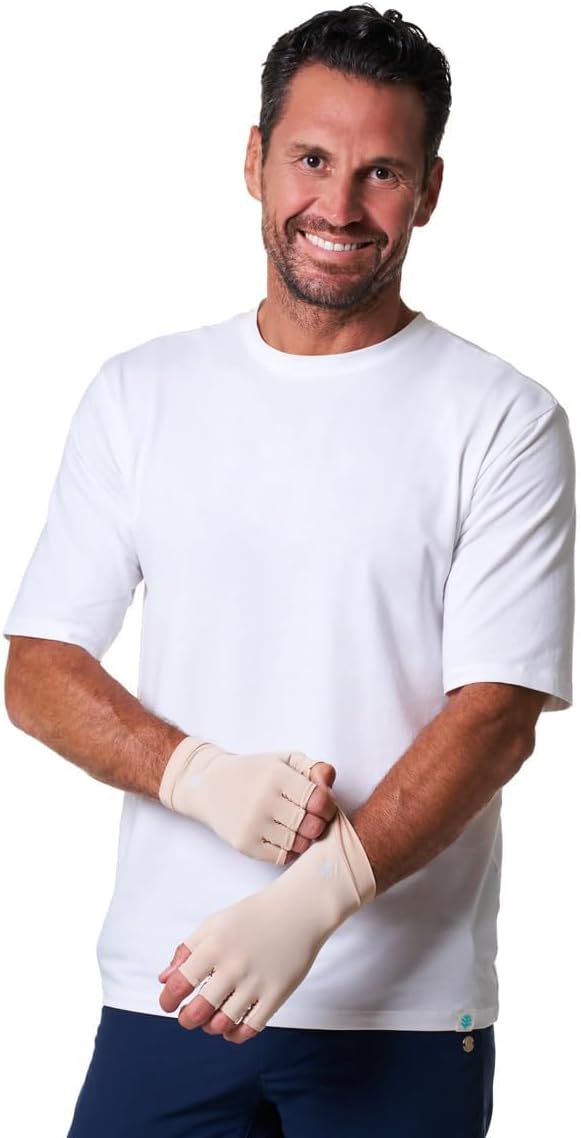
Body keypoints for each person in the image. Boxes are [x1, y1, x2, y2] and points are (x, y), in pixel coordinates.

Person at [2, 5, 575, 1136]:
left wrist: (318, 895)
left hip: (399, 1013)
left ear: (429, 190)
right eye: (311, 159)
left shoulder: (501, 419)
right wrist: (194, 774)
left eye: (380, 172)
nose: (339, 206)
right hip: (167, 986)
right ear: (254, 159)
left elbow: (496, 717)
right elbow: (38, 667)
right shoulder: (140, 394)